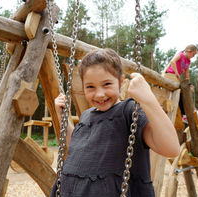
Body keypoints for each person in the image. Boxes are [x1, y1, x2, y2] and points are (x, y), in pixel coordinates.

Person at [50, 48, 180, 197]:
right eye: (90, 87)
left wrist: (148, 99)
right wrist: (62, 117)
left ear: (121, 82)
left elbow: (171, 149)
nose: (99, 94)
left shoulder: (128, 112)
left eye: (106, 84)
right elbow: (75, 146)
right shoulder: (86, 115)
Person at [163, 44, 198, 117]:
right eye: (193, 54)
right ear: (189, 51)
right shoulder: (180, 55)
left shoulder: (188, 61)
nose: (193, 56)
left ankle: (183, 114)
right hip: (170, 74)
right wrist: (176, 72)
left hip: (175, 78)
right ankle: (181, 113)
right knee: (175, 93)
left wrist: (189, 84)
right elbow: (172, 61)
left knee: (181, 93)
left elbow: (186, 73)